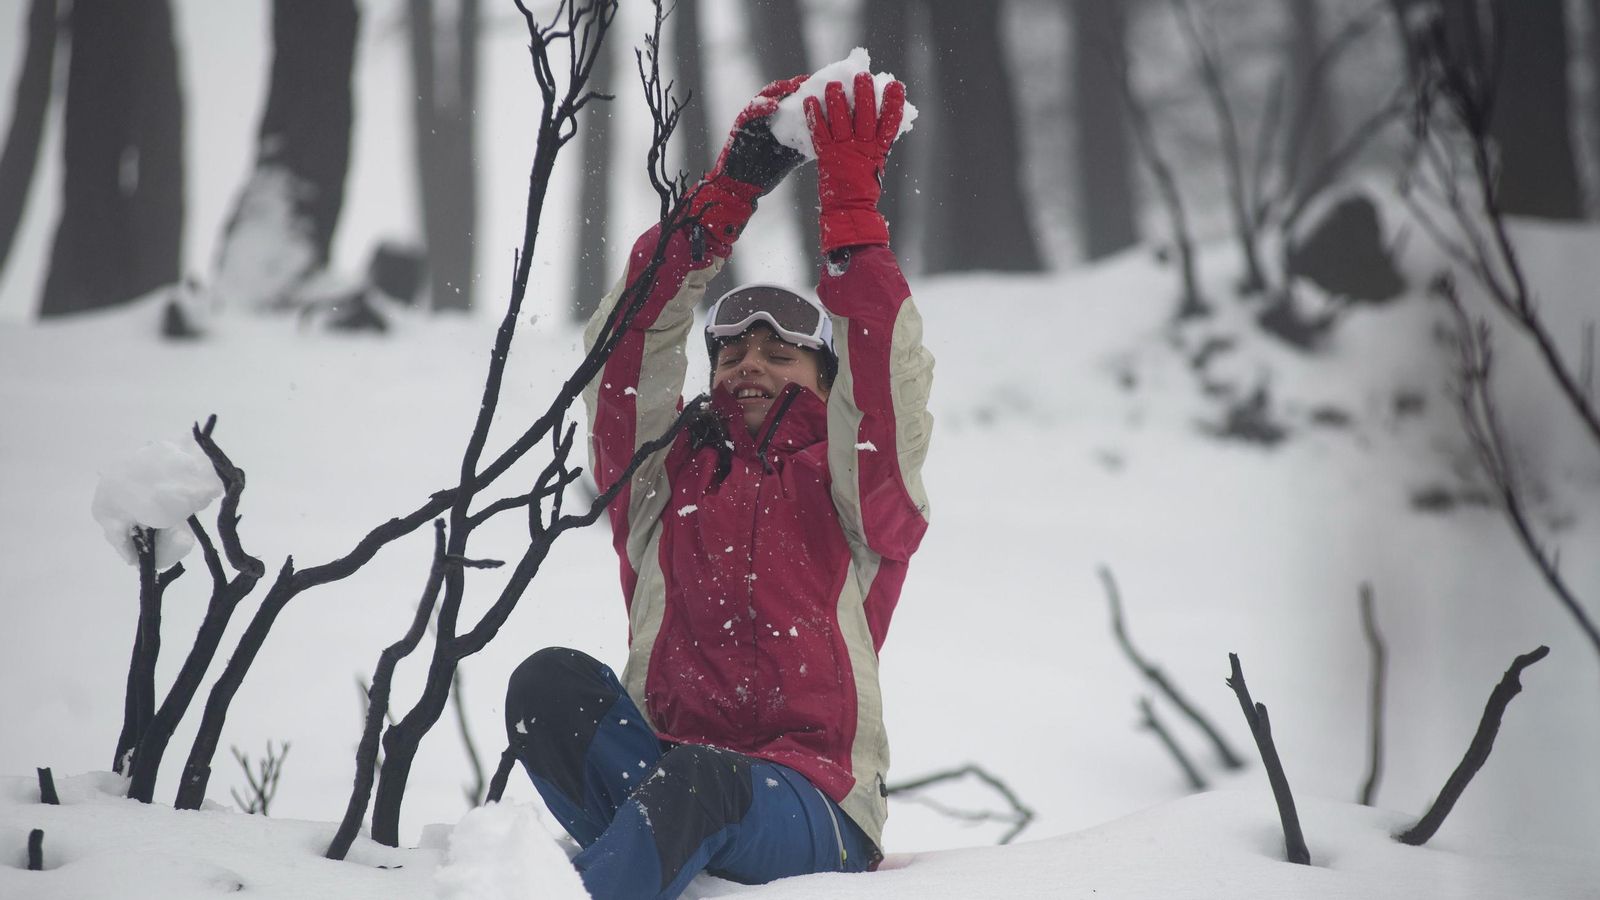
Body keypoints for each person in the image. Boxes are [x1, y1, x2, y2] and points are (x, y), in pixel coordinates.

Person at [504, 71, 933, 900]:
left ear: (822, 377)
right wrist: (725, 195)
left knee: (698, 787)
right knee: (546, 687)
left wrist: (852, 224)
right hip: (666, 775)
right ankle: (637, 858)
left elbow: (887, 397)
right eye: (732, 354)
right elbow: (626, 348)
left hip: (815, 802)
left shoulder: (858, 496)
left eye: (781, 355)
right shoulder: (664, 480)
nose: (750, 366)